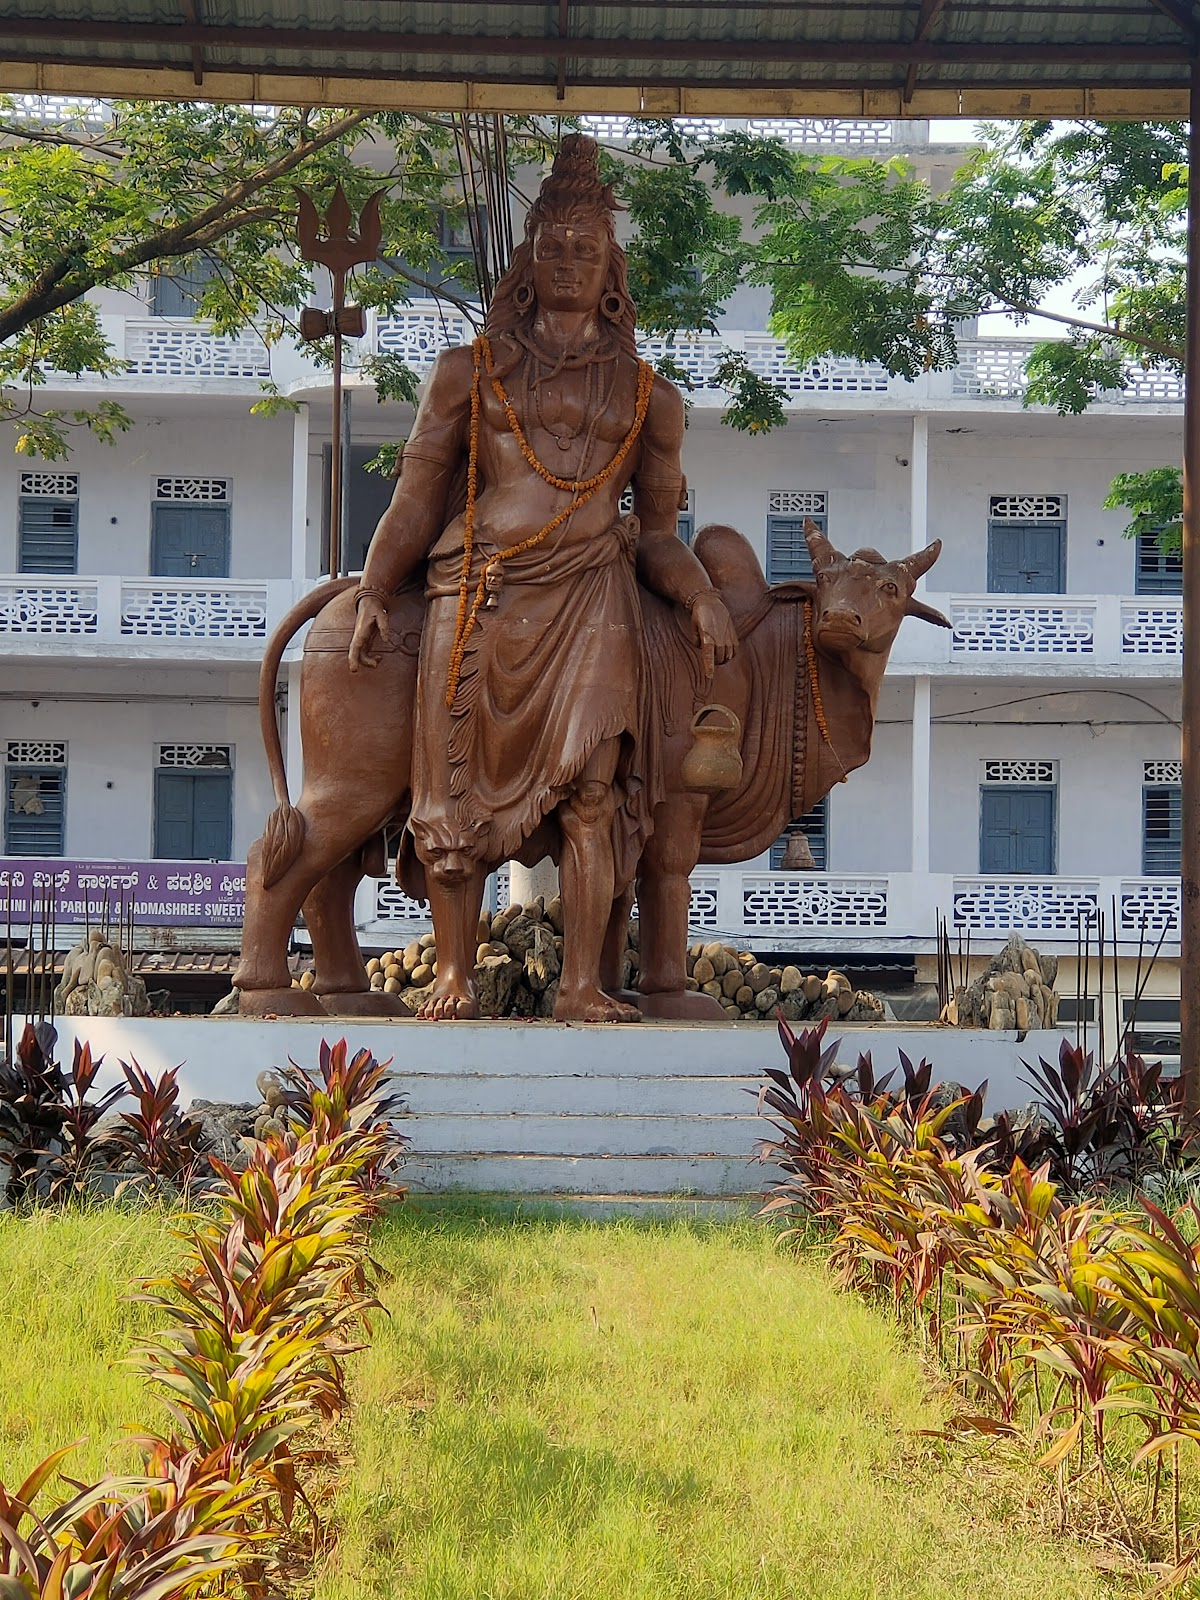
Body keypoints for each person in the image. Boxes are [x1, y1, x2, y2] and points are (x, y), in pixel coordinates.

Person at [349, 135, 736, 1021]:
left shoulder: (650, 397)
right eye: (552, 246)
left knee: (594, 792)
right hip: (478, 592)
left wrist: (702, 595)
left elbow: (659, 537)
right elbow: (415, 499)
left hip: (594, 597)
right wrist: (373, 587)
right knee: (451, 794)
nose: (567, 262)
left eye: (584, 249)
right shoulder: (469, 370)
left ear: (610, 270)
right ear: (529, 260)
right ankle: (454, 975)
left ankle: (581, 984)